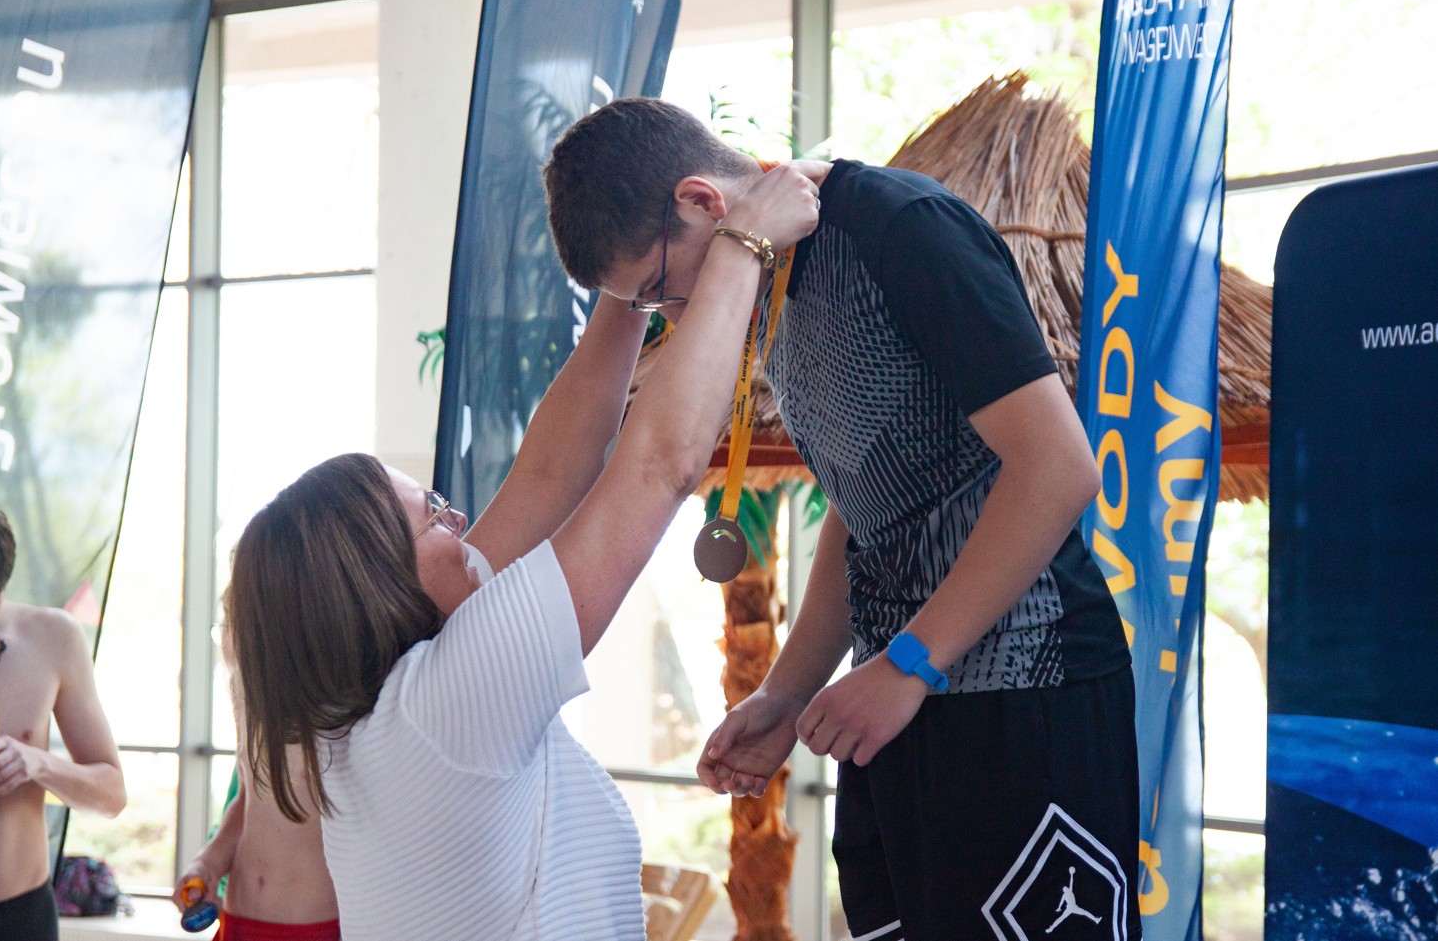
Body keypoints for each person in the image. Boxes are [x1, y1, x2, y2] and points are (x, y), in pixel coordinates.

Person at [543, 97, 1141, 941]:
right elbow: (866, 505)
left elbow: (1058, 467)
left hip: (1024, 695)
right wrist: (788, 693)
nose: (676, 319)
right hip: (897, 711)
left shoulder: (901, 228)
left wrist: (910, 663)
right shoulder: (777, 282)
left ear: (703, 201)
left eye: (659, 292)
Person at [224, 163, 821, 941]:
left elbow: (550, 469)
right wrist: (743, 243)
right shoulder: (448, 702)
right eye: (434, 519)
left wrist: (630, 277)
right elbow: (659, 464)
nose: (461, 520)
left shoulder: (380, 710)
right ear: (379, 586)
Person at [0, 499, 127, 941]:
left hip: (21, 917)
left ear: (3, 586)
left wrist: (39, 764)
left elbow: (111, 796)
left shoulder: (54, 638)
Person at [171, 597, 340, 941]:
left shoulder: (337, 703)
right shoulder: (245, 694)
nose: (226, 641)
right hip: (238, 917)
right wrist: (208, 863)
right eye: (224, 625)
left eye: (231, 626)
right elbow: (249, 799)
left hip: (311, 925)